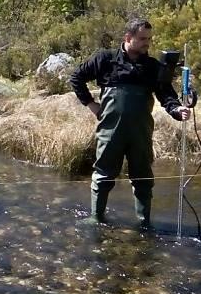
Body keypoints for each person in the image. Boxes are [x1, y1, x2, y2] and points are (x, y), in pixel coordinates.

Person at [68, 18, 192, 228]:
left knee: (143, 178)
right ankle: (96, 219)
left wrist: (178, 110)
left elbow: (166, 95)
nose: (147, 43)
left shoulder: (152, 67)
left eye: (149, 39)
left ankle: (144, 224)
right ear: (128, 37)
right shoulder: (105, 59)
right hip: (110, 131)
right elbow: (76, 77)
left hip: (140, 133)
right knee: (103, 175)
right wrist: (92, 105)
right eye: (143, 39)